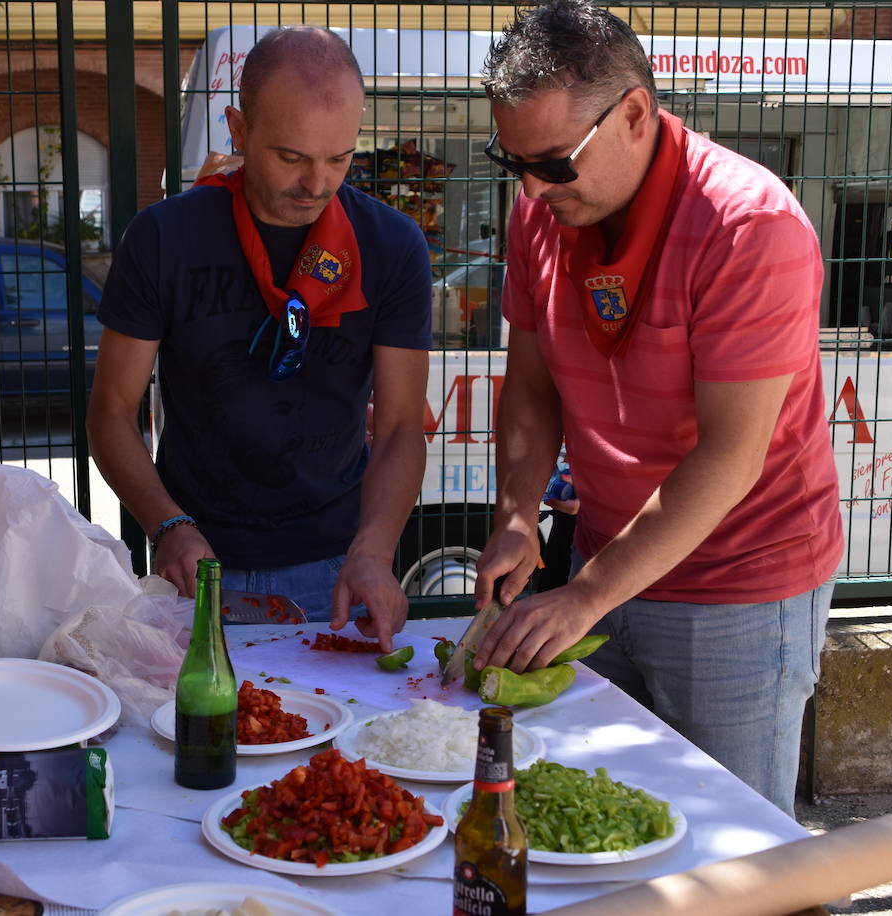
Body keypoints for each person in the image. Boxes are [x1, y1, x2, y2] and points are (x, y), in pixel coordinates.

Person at [469, 0, 844, 815]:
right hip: (606, 559)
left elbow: (730, 457)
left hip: (743, 583)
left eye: (554, 163)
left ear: (635, 113)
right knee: (598, 815)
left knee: (734, 850)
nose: (532, 188)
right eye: (513, 161)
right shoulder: (542, 213)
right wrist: (517, 518)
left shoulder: (750, 226)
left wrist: (586, 595)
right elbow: (530, 390)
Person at [87, 26, 433, 651]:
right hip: (193, 562)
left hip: (335, 563)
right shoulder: (165, 238)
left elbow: (404, 424)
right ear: (239, 131)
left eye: (340, 158)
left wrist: (375, 551)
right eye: (292, 157)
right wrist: (167, 524)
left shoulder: (391, 245)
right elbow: (111, 413)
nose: (317, 183)